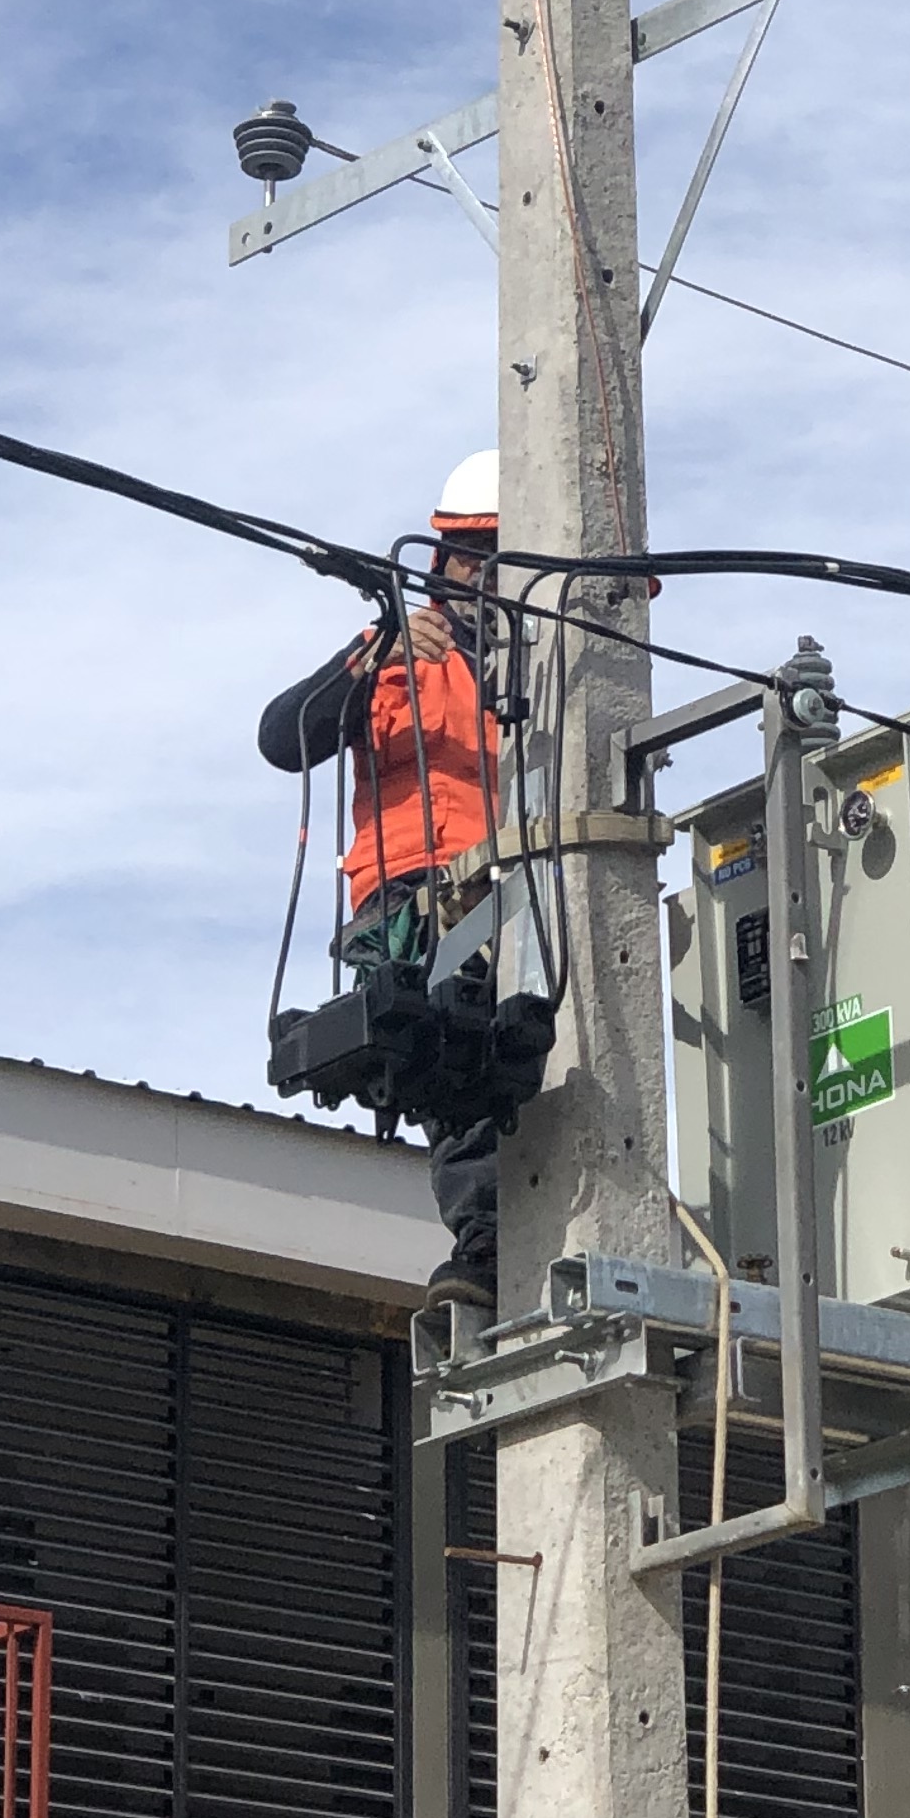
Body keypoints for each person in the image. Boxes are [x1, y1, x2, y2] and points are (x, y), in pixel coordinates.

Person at [260, 451, 506, 1326]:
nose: (480, 576)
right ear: (442, 560)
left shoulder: (555, 671)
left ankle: (516, 1234)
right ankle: (484, 1245)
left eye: (498, 556)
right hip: (408, 897)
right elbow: (285, 735)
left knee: (520, 1060)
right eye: (470, 555)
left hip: (522, 891)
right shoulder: (396, 655)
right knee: (454, 1062)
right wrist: (378, 660)